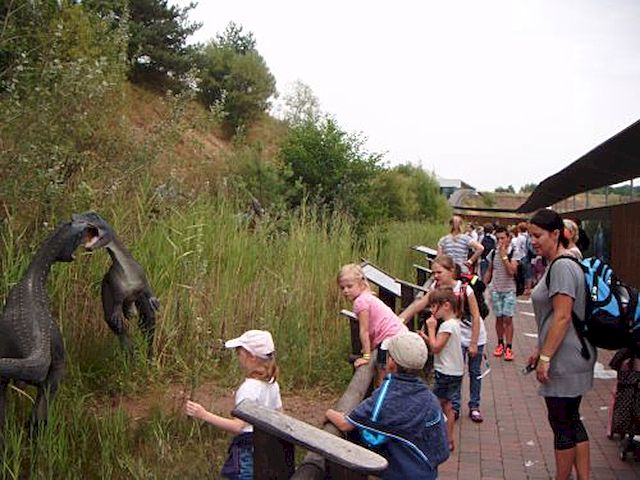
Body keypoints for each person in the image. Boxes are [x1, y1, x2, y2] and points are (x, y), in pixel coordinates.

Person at [527, 209, 596, 480]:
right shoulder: (564, 262)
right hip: (571, 353)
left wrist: (545, 358)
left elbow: (563, 315)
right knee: (571, 418)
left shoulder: (562, 266)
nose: (533, 241)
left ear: (555, 234)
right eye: (531, 236)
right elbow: (553, 316)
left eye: (538, 236)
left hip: (565, 358)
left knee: (561, 423)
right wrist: (540, 349)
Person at [325, 332, 449, 480]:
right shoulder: (429, 397)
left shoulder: (388, 395)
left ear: (391, 362)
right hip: (428, 471)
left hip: (404, 474)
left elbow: (346, 424)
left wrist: (329, 412)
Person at [184, 330, 282, 480]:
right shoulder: (272, 384)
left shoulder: (248, 388)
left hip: (248, 449)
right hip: (268, 447)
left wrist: (203, 414)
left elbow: (238, 426)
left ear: (251, 356)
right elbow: (280, 417)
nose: (237, 355)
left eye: (239, 351)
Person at [400, 255, 486, 422]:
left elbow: (476, 317)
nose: (436, 276)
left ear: (451, 271)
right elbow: (419, 304)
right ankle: (454, 407)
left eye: (439, 272)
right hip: (454, 337)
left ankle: (474, 405)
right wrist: (401, 319)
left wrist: (474, 343)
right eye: (433, 273)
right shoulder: (436, 289)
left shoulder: (465, 289)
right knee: (456, 370)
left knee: (474, 371)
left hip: (474, 334)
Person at [338, 264, 407, 379]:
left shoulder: (360, 302)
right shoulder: (367, 295)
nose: (345, 291)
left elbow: (364, 330)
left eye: (349, 286)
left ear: (361, 284)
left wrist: (366, 356)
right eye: (342, 288)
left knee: (383, 371)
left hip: (389, 338)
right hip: (398, 333)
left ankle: (382, 389)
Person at [419, 287, 464, 452]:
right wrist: (427, 338)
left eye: (434, 306)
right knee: (449, 406)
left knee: (434, 404)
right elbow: (441, 345)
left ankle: (432, 437)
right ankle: (449, 439)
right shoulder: (455, 323)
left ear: (446, 305)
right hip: (455, 372)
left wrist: (431, 329)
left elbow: (436, 348)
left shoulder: (446, 326)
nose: (432, 311)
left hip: (445, 372)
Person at [484, 226, 518, 361]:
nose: (500, 241)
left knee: (508, 318)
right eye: (498, 239)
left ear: (509, 238)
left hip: (509, 289)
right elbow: (489, 270)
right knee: (498, 317)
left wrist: (504, 256)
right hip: (496, 289)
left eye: (503, 238)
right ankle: (500, 343)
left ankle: (509, 347)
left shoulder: (514, 252)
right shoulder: (493, 253)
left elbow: (511, 271)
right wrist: (483, 285)